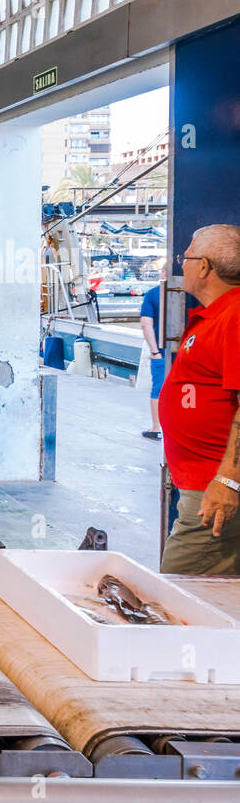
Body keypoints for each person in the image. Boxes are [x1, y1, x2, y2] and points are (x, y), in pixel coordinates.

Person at [159, 224, 240, 575]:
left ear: (205, 267)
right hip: (200, 482)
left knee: (179, 590)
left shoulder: (234, 317)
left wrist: (228, 481)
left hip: (214, 488)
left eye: (186, 258)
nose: (182, 266)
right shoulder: (217, 315)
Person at [138, 263, 200, 441]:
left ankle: (157, 428)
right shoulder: (191, 293)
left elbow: (146, 324)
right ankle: (187, 426)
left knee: (159, 388)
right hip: (189, 348)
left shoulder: (152, 294)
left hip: (162, 349)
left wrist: (155, 351)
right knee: (188, 386)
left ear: (164, 272)